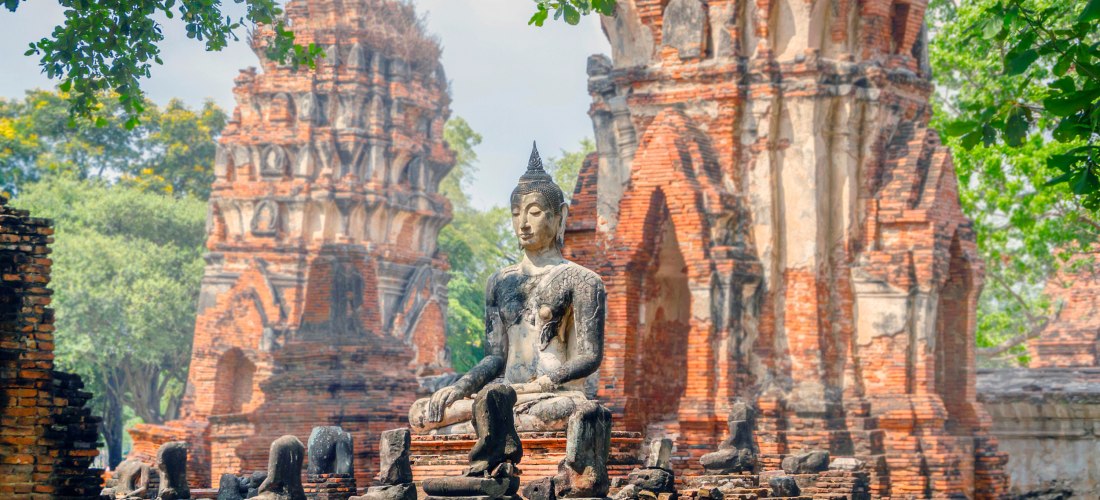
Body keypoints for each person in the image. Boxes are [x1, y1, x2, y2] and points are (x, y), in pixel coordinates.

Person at [409, 143, 606, 434]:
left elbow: (589, 357)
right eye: (516, 213)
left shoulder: (582, 280)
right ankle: (491, 418)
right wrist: (459, 387)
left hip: (550, 395)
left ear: (560, 216)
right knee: (422, 413)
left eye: (535, 212)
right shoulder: (500, 281)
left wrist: (541, 385)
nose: (523, 223)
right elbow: (495, 357)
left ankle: (492, 420)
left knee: (565, 411)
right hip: (504, 394)